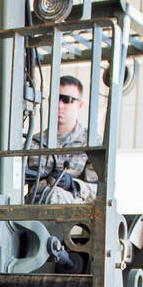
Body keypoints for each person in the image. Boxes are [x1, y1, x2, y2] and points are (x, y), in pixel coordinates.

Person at [27, 75, 99, 204]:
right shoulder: (34, 142)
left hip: (73, 217)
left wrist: (73, 185)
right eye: (57, 98)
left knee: (54, 194)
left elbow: (100, 191)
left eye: (67, 100)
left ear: (80, 104)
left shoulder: (92, 142)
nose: (60, 105)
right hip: (33, 211)